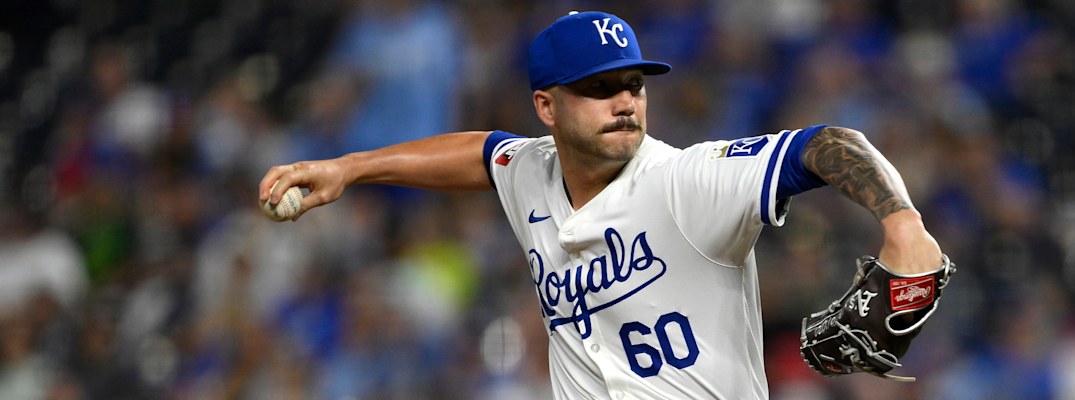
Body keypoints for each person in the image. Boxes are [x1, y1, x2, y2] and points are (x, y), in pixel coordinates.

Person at [259, 10, 945, 399]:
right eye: (598, 88)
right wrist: (350, 167)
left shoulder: (687, 182)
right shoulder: (532, 171)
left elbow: (826, 144)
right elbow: (480, 153)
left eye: (633, 84)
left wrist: (903, 223)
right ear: (546, 107)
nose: (624, 101)